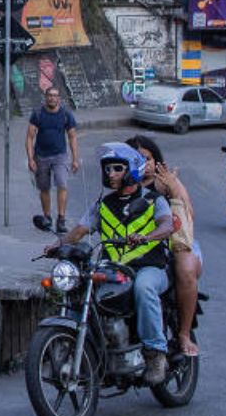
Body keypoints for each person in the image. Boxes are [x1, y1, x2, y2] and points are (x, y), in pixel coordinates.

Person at [49, 142, 178, 385]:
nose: (111, 174)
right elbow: (79, 230)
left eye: (117, 168)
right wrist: (58, 244)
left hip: (150, 268)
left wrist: (148, 237)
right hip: (114, 269)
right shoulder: (103, 205)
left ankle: (155, 354)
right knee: (82, 285)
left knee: (143, 288)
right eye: (108, 169)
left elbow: (167, 225)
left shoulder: (153, 200)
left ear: (132, 170)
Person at [129, 134, 203, 356]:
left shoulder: (166, 180)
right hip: (134, 245)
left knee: (185, 269)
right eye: (138, 159)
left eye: (149, 158)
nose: (146, 164)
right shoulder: (122, 181)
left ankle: (183, 334)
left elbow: (189, 214)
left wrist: (173, 188)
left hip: (175, 242)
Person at [27, 86, 81, 232]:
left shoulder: (66, 115)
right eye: (49, 95)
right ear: (46, 97)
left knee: (62, 184)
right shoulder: (37, 114)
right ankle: (47, 217)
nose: (52, 98)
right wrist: (31, 159)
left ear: (59, 98)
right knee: (44, 188)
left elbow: (72, 137)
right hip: (41, 156)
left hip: (60, 156)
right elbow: (30, 137)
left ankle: (61, 219)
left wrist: (75, 158)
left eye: (55, 95)